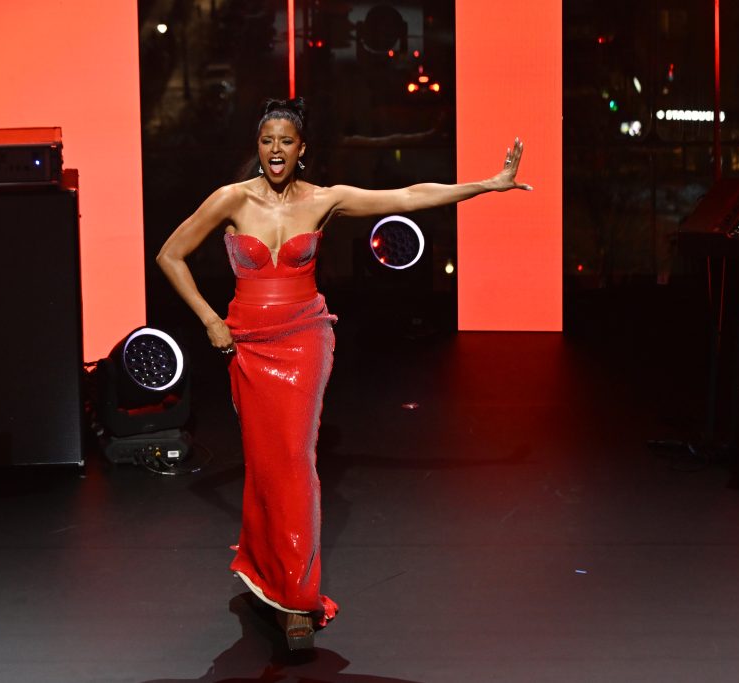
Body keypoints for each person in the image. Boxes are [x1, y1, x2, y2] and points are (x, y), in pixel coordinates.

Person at [156, 97, 531, 649]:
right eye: (267, 141)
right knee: (265, 464)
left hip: (305, 337)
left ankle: (299, 604)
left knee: (295, 459)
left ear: (302, 150)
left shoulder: (326, 201)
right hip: (249, 347)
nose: (276, 150)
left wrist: (485, 184)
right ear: (257, 148)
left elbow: (407, 196)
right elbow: (170, 254)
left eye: (286, 141)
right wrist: (210, 319)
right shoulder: (231, 200)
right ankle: (266, 574)